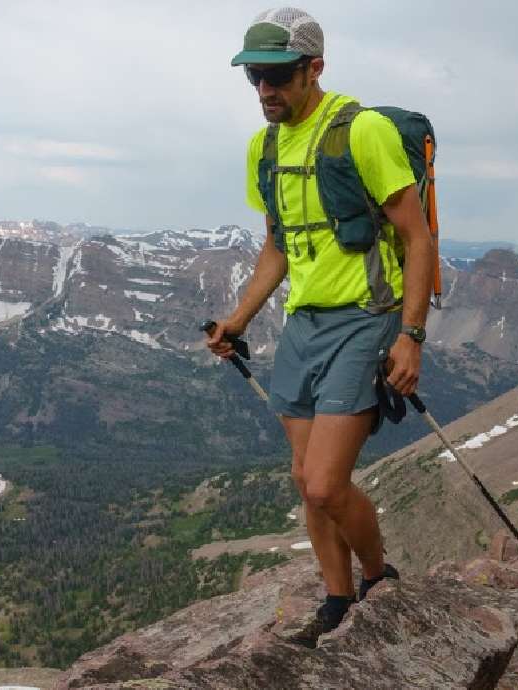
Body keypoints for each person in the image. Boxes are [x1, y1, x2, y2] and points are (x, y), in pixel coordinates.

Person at [206, 7, 434, 640]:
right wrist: (238, 319)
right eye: (253, 76)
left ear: (314, 69)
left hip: (366, 321)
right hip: (303, 325)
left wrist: (411, 335)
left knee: (329, 484)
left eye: (277, 75)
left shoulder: (360, 133)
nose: (264, 90)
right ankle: (337, 603)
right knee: (305, 483)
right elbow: (278, 244)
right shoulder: (267, 146)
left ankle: (379, 578)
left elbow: (416, 238)